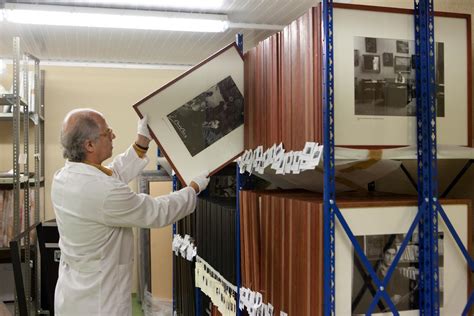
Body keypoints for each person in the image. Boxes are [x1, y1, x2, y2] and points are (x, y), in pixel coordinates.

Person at [51, 108, 210, 315]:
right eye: (107, 132)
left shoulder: (64, 177)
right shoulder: (102, 192)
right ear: (89, 145)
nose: (113, 135)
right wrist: (193, 189)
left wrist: (141, 142)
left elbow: (111, 176)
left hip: (73, 295)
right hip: (100, 304)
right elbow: (156, 211)